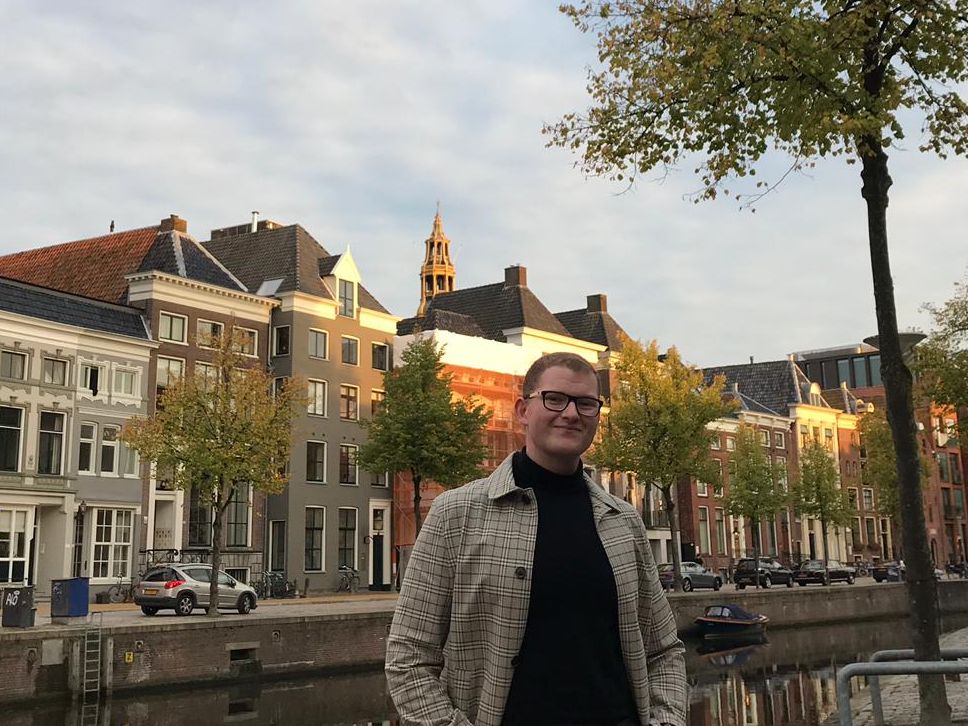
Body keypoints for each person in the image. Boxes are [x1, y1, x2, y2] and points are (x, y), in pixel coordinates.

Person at [386, 352, 687, 726]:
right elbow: (409, 656)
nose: (571, 413)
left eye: (586, 403)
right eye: (554, 399)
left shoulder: (624, 522)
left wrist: (666, 720)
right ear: (523, 410)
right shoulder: (456, 515)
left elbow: (663, 650)